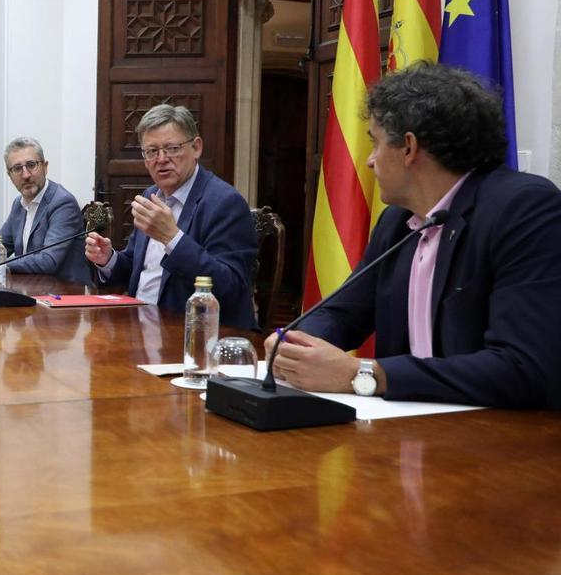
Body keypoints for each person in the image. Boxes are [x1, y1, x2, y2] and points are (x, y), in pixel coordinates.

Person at [267, 63, 561, 409]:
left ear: (409, 147)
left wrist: (364, 374)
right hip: (410, 437)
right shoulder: (397, 223)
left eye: (375, 144)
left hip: (501, 443)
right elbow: (344, 312)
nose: (370, 162)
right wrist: (295, 344)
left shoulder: (525, 210)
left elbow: (522, 367)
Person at [84, 104, 258, 329]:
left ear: (196, 148)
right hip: (140, 325)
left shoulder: (224, 202)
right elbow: (137, 269)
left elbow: (231, 288)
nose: (162, 159)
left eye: (172, 148)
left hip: (192, 333)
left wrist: (172, 238)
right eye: (152, 151)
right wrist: (108, 259)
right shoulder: (151, 195)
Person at [0, 137, 89, 284]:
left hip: (66, 294)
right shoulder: (19, 204)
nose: (26, 175)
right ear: (9, 175)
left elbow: (48, 261)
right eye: (17, 169)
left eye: (31, 165)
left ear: (45, 167)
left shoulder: (62, 203)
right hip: (32, 288)